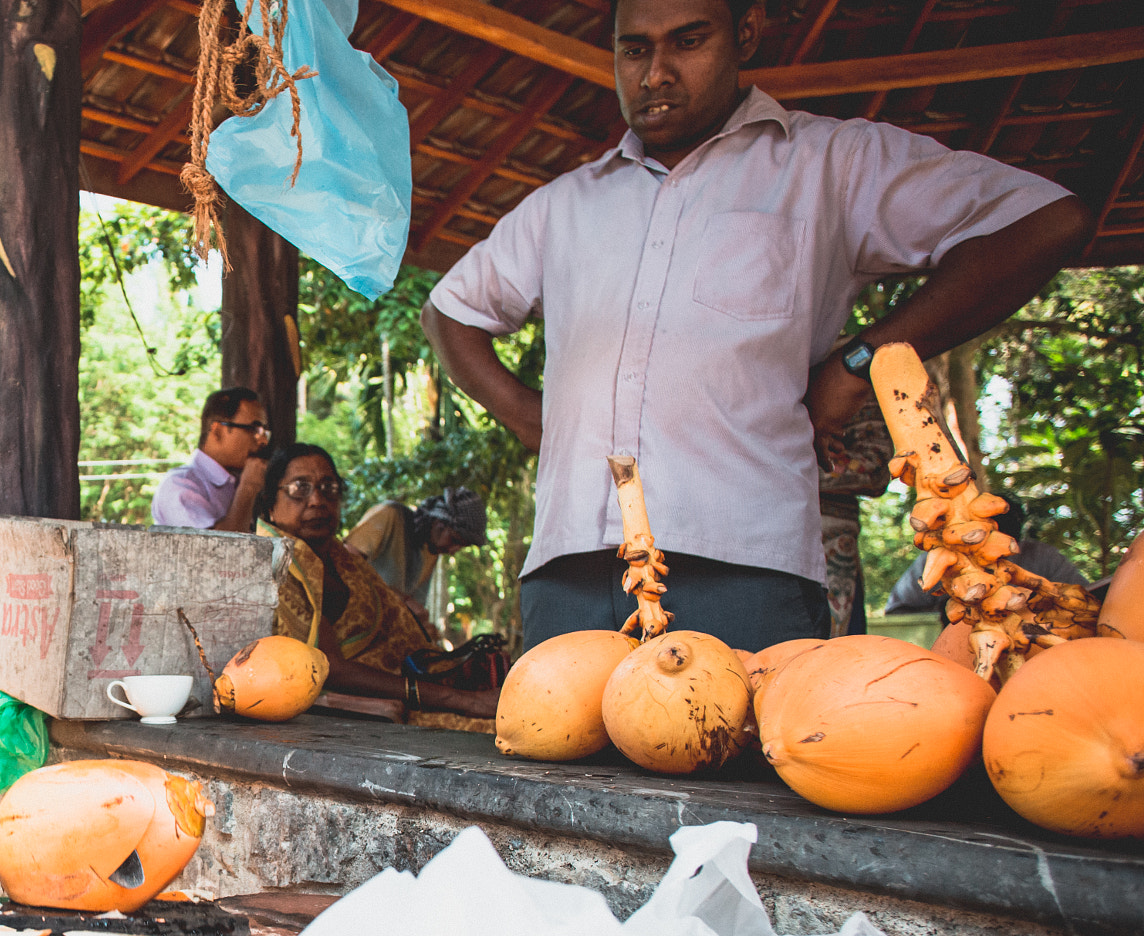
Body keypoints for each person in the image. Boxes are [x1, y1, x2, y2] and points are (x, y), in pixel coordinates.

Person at [421, 0, 1090, 656]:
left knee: (744, 762)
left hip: (742, 565)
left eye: (687, 41)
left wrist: (861, 361)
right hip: (570, 566)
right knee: (553, 768)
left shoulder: (830, 163)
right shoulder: (564, 205)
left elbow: (1039, 221)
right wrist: (529, 419)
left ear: (746, 33)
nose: (655, 73)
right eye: (635, 49)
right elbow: (449, 309)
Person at [261, 445, 499, 718]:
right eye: (300, 488)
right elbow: (328, 668)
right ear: (270, 503)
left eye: (329, 488)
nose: (317, 500)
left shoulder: (343, 563)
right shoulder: (276, 567)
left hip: (402, 692)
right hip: (365, 711)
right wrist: (462, 700)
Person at [884, 494, 1088, 617]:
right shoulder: (940, 558)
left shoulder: (1043, 557)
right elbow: (897, 612)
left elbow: (1085, 598)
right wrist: (951, 613)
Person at [343, 487, 489, 626]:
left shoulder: (431, 552)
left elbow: (412, 609)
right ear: (439, 524)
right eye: (455, 540)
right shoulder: (389, 514)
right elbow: (343, 566)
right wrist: (402, 600)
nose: (452, 551)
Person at [150, 387, 273, 531]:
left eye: (265, 432)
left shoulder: (237, 481)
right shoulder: (180, 485)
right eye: (254, 429)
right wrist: (247, 488)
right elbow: (219, 549)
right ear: (217, 431)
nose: (263, 440)